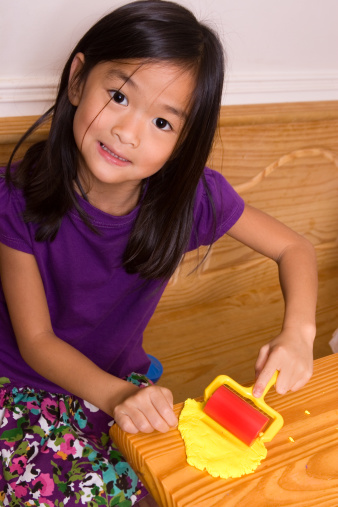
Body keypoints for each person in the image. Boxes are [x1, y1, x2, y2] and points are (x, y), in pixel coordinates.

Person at [0, 0, 317, 505]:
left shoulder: (189, 201)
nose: (129, 132)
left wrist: (299, 333)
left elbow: (293, 248)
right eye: (120, 96)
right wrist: (119, 396)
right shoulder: (15, 196)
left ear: (183, 142)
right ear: (78, 80)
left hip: (116, 388)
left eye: (163, 124)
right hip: (18, 387)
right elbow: (36, 341)